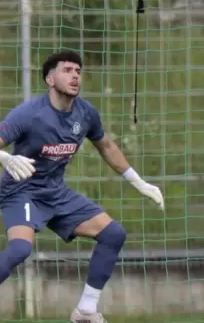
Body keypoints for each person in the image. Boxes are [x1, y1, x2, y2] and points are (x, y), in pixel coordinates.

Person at [0, 50, 165, 323]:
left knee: (113, 234)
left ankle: (85, 311)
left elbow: (107, 146)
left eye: (78, 70)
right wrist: (6, 157)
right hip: (21, 191)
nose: (75, 75)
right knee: (20, 249)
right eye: (67, 70)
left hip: (56, 192)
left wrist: (139, 182)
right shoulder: (29, 114)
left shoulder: (86, 113)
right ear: (49, 80)